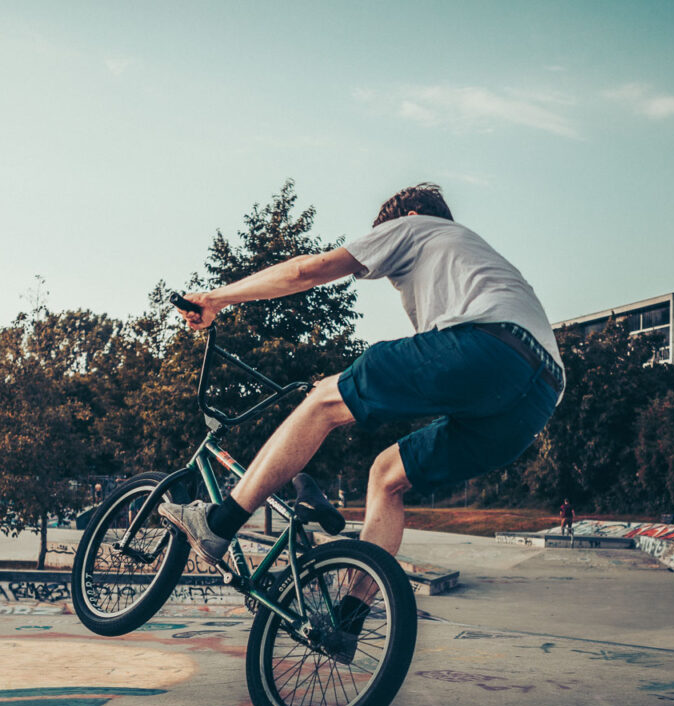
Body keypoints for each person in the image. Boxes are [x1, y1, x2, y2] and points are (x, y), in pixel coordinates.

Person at [160, 183, 564, 570]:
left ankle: (219, 524)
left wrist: (214, 298)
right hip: (540, 396)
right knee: (387, 475)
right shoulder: (475, 261)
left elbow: (306, 271)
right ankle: (348, 625)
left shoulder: (413, 225)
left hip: (488, 345)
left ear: (407, 217)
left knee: (322, 400)